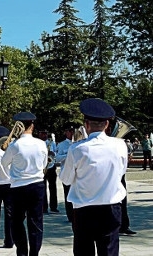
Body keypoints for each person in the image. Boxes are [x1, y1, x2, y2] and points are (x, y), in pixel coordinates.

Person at [59, 98, 128, 256]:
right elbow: (121, 172)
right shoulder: (120, 145)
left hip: (84, 210)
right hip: (111, 207)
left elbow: (66, 180)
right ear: (107, 125)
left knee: (84, 251)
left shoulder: (76, 149)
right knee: (109, 251)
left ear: (86, 125)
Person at [1, 112, 48, 256]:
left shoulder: (15, 146)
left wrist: (14, 173)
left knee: (17, 222)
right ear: (32, 126)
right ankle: (34, 252)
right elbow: (44, 163)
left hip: (18, 187)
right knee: (36, 222)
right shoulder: (41, 144)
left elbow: (4, 163)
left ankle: (22, 252)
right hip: (37, 185)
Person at [56, 123, 76, 223]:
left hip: (77, 173)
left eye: (73, 131)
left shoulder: (79, 142)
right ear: (66, 132)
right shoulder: (62, 145)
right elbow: (57, 158)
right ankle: (70, 216)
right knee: (68, 195)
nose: (72, 133)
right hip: (67, 173)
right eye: (70, 131)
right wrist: (68, 154)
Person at [39, 130, 59, 214]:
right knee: (43, 188)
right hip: (42, 167)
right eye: (42, 133)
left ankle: (53, 206)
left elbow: (55, 153)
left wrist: (52, 153)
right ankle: (44, 207)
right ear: (39, 134)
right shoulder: (38, 143)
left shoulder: (52, 143)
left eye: (45, 133)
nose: (44, 135)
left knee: (53, 187)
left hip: (51, 166)